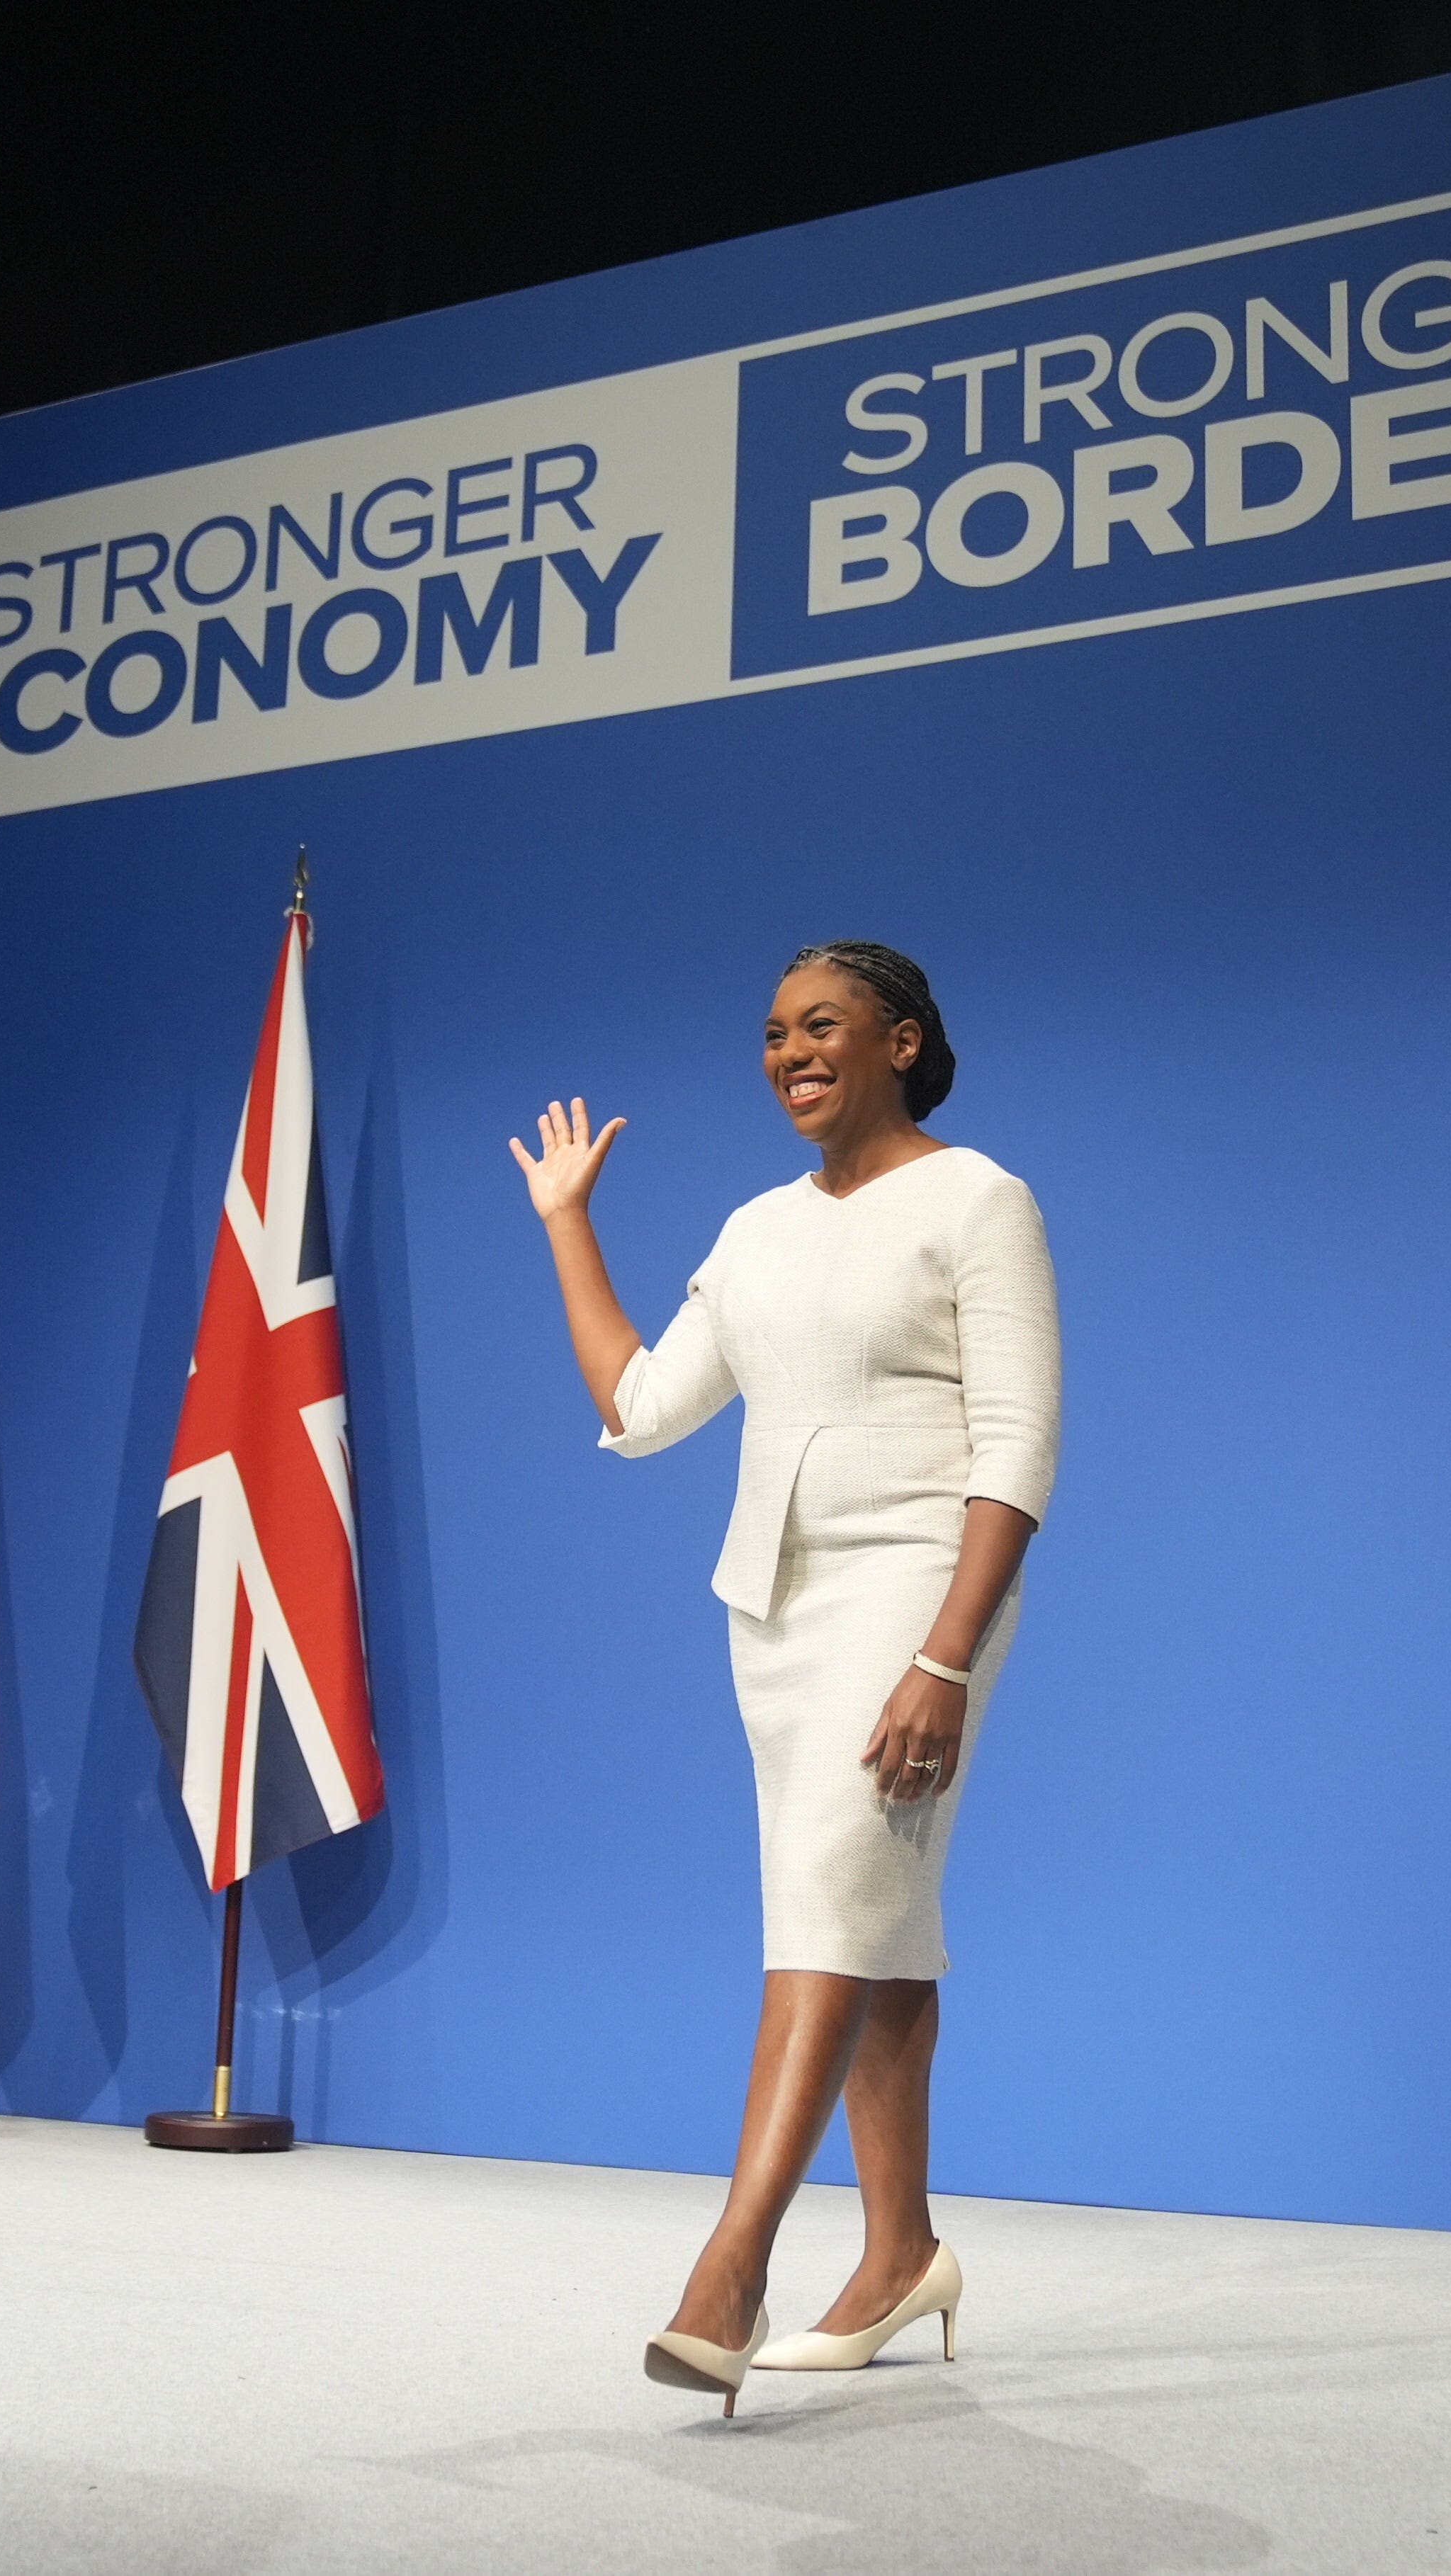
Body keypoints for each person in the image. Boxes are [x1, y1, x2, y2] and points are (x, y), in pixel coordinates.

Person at [509, 939, 1059, 2415]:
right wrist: (569, 1223)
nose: (789, 1050)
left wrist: (944, 1652)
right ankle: (900, 2254)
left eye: (821, 1024)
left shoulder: (976, 1199)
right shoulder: (754, 1227)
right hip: (774, 1611)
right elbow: (639, 1405)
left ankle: (730, 2266)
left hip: (918, 1600)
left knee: (826, 1898)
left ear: (902, 1039)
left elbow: (1016, 1449)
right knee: (870, 1915)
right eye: (769, 1032)